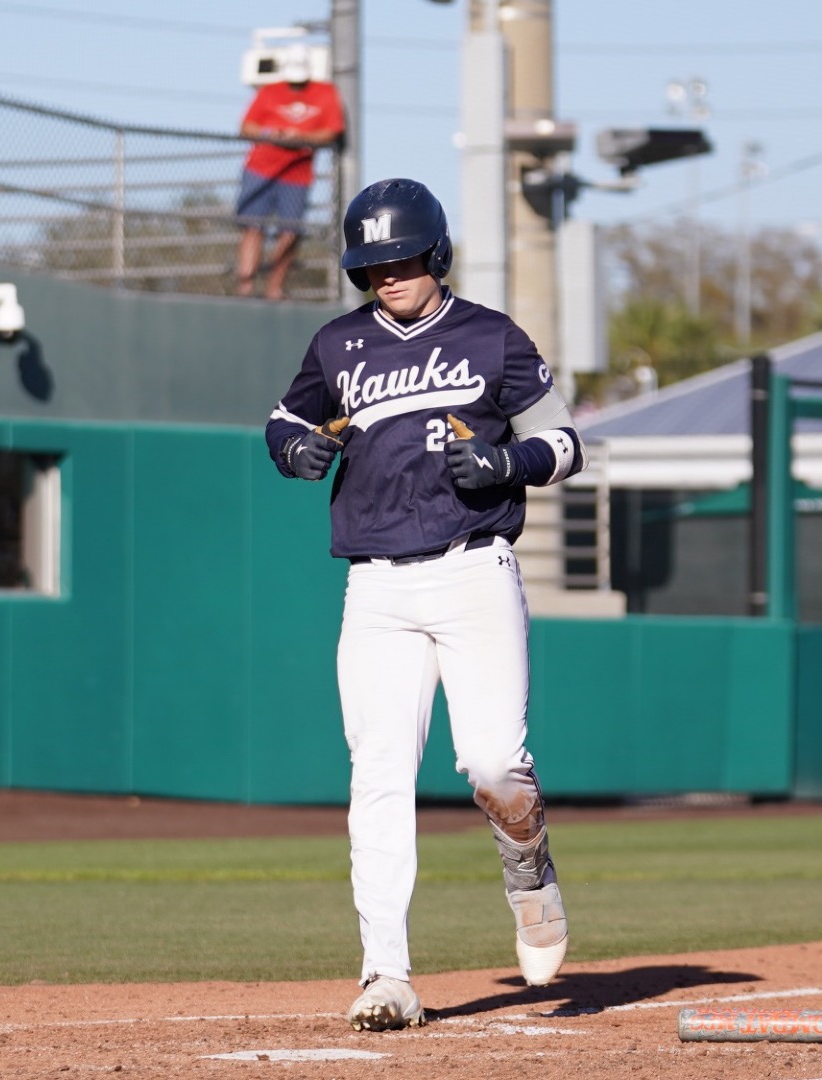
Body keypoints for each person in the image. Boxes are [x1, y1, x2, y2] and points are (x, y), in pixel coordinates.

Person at [263, 178, 583, 1032]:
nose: (388, 276)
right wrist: (294, 448)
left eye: (402, 259)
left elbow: (566, 440)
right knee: (378, 775)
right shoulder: (338, 345)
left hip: (473, 569)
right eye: (372, 265)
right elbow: (283, 421)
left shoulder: (491, 336)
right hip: (377, 583)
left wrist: (511, 464)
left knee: (491, 764)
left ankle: (528, 866)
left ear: (436, 254)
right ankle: (386, 974)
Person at [233, 44, 344, 301]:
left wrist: (301, 137)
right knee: (253, 227)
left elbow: (332, 131)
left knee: (290, 232)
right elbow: (247, 126)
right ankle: (245, 290)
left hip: (297, 176)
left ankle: (274, 288)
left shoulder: (325, 93)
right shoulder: (270, 91)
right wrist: (272, 134)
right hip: (260, 169)